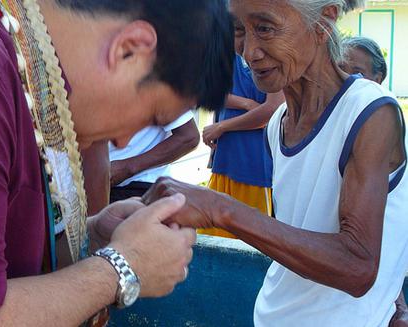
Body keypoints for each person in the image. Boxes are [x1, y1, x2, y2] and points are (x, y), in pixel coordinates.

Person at [0, 1, 234, 326]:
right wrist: (121, 266)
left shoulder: (14, 64)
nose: (123, 143)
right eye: (152, 118)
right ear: (129, 50)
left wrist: (93, 233)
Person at [143, 0, 408, 326]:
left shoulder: (370, 112)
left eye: (265, 28)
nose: (249, 52)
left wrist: (221, 209)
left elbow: (357, 265)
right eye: (239, 30)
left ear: (324, 22)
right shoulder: (278, 124)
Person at [341, 35, 408, 325]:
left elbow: (390, 222)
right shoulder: (344, 118)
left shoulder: (382, 117)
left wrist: (398, 300)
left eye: (357, 72)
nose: (348, 79)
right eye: (342, 70)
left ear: (378, 78)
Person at [201, 54, 284, 238]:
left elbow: (272, 111)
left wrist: (222, 127)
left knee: (251, 241)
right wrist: (247, 104)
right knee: (212, 238)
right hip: (224, 160)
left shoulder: (274, 55)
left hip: (255, 165)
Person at [109, 111, 199, 203]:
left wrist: (127, 168)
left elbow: (189, 137)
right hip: (100, 186)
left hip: (139, 185)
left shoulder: (163, 98)